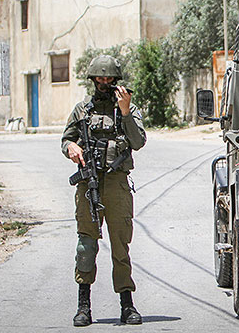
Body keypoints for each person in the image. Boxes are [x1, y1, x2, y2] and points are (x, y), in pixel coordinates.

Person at [61, 55, 146, 327]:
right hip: (89, 185)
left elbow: (138, 141)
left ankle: (127, 304)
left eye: (109, 79)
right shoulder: (81, 110)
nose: (104, 83)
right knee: (86, 245)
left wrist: (124, 111)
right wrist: (71, 148)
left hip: (118, 185)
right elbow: (66, 139)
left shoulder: (128, 109)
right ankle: (83, 305)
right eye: (100, 78)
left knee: (120, 246)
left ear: (116, 81)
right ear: (93, 80)